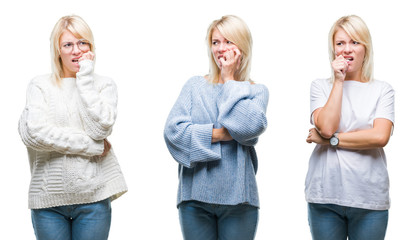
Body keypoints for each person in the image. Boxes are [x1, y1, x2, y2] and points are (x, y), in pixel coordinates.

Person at [18, 15, 127, 240]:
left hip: (93, 198)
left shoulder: (104, 85)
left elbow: (100, 130)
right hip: (48, 201)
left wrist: (85, 79)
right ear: (58, 50)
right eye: (68, 44)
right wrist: (92, 147)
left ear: (91, 47)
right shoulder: (40, 85)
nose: (76, 50)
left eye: (82, 43)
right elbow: (35, 133)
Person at [164, 15, 269, 240]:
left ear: (242, 46)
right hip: (194, 198)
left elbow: (250, 128)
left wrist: (229, 78)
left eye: (229, 41)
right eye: (215, 42)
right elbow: (174, 133)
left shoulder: (256, 91)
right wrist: (220, 134)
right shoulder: (194, 85)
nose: (221, 49)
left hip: (240, 199)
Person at [305, 15, 394, 240]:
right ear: (333, 49)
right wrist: (338, 81)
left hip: (369, 199)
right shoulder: (320, 87)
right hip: (325, 197)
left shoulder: (382, 90)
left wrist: (330, 141)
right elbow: (326, 127)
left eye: (355, 42)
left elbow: (379, 136)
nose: (347, 49)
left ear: (366, 48)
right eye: (340, 43)